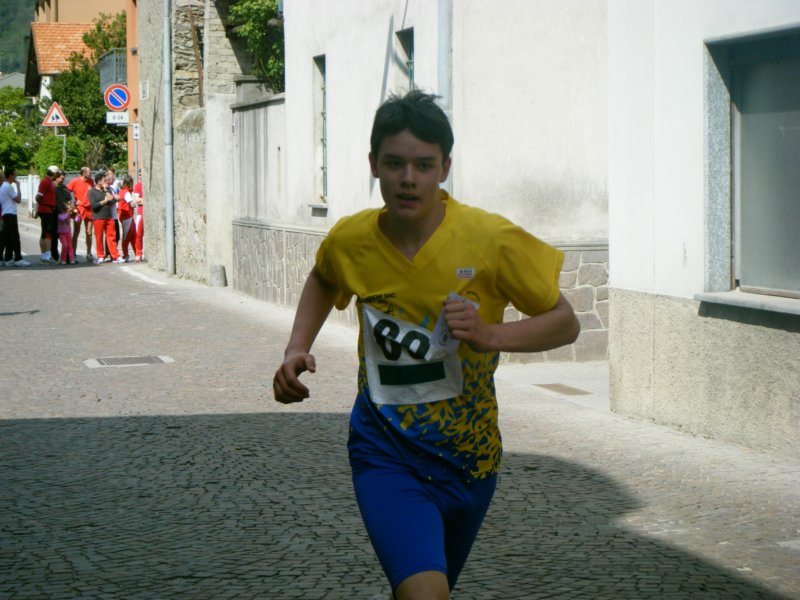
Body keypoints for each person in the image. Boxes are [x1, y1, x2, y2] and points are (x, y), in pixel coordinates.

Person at [272, 90, 580, 600]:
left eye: (423, 165)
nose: (408, 179)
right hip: (384, 452)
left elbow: (565, 322)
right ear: (374, 164)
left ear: (445, 168)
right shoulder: (351, 240)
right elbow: (324, 277)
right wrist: (295, 347)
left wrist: (490, 335)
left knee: (426, 589)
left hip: (471, 459)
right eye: (394, 164)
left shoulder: (489, 239)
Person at [88, 172, 124, 264]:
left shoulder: (107, 190)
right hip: (98, 217)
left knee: (112, 237)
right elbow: (94, 205)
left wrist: (106, 191)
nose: (106, 182)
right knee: (99, 238)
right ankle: (101, 256)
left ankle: (115, 256)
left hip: (109, 217)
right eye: (104, 181)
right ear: (98, 181)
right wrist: (104, 201)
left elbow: (112, 200)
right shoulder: (92, 192)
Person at [0, 168, 31, 267]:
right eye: (14, 175)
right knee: (15, 237)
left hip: (6, 213)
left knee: (7, 238)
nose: (16, 177)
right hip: (10, 214)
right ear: (10, 176)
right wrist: (18, 187)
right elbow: (18, 200)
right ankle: (18, 258)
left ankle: (8, 258)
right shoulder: (8, 187)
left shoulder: (3, 186)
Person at [67, 167, 94, 261]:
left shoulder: (91, 181)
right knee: (76, 231)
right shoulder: (75, 181)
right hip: (79, 210)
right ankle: (73, 252)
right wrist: (72, 202)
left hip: (89, 210)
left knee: (89, 232)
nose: (90, 173)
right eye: (89, 172)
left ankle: (89, 253)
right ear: (83, 173)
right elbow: (66, 191)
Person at [35, 165, 60, 264]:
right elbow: (38, 196)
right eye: (57, 174)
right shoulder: (45, 182)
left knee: (44, 233)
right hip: (46, 211)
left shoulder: (48, 181)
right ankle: (47, 256)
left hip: (47, 210)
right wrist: (41, 206)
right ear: (54, 173)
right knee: (48, 233)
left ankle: (44, 255)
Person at [55, 188, 78, 265]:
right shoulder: (60, 214)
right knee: (65, 245)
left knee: (70, 246)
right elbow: (62, 218)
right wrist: (69, 213)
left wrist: (76, 214)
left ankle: (72, 259)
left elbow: (76, 220)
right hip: (61, 232)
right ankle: (63, 259)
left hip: (68, 231)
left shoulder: (68, 214)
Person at [117, 175, 136, 261]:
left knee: (132, 236)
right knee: (127, 236)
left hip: (125, 216)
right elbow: (132, 204)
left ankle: (136, 253)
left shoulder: (122, 191)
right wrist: (136, 201)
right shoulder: (127, 192)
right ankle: (125, 254)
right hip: (127, 216)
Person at [132, 174, 144, 262]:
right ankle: (138, 253)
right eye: (139, 175)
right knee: (138, 233)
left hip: (145, 211)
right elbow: (137, 199)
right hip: (140, 212)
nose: (140, 177)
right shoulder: (138, 186)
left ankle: (143, 252)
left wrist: (142, 200)